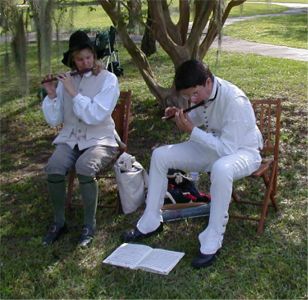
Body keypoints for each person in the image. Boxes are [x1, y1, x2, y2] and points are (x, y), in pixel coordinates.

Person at [122, 59, 263, 268]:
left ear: (208, 82)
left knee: (221, 168)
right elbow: (198, 118)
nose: (192, 99)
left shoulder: (235, 100)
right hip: (215, 146)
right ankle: (151, 221)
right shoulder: (202, 93)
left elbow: (227, 151)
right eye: (188, 97)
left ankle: (213, 239)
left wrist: (192, 131)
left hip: (244, 151)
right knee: (160, 155)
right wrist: (181, 115)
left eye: (194, 94)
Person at [42, 30, 120, 247]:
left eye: (88, 57)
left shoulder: (108, 80)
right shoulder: (66, 81)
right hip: (71, 138)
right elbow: (54, 119)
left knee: (85, 166)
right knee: (54, 166)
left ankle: (89, 224)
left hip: (100, 139)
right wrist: (52, 94)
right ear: (72, 61)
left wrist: (74, 93)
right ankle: (59, 222)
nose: (85, 62)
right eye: (79, 59)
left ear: (94, 56)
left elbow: (95, 115)